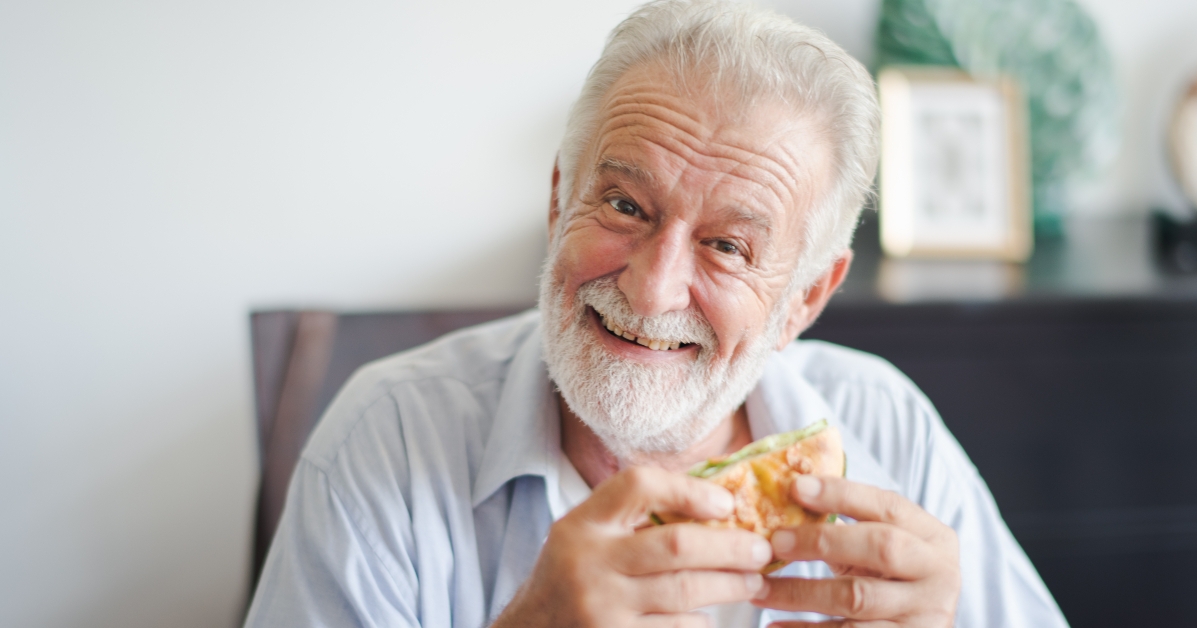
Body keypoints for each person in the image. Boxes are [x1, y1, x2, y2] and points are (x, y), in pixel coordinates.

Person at [244, 1, 1068, 626]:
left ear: (805, 298)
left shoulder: (890, 435)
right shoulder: (381, 441)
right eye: (625, 205)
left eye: (729, 248)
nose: (651, 290)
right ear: (561, 198)